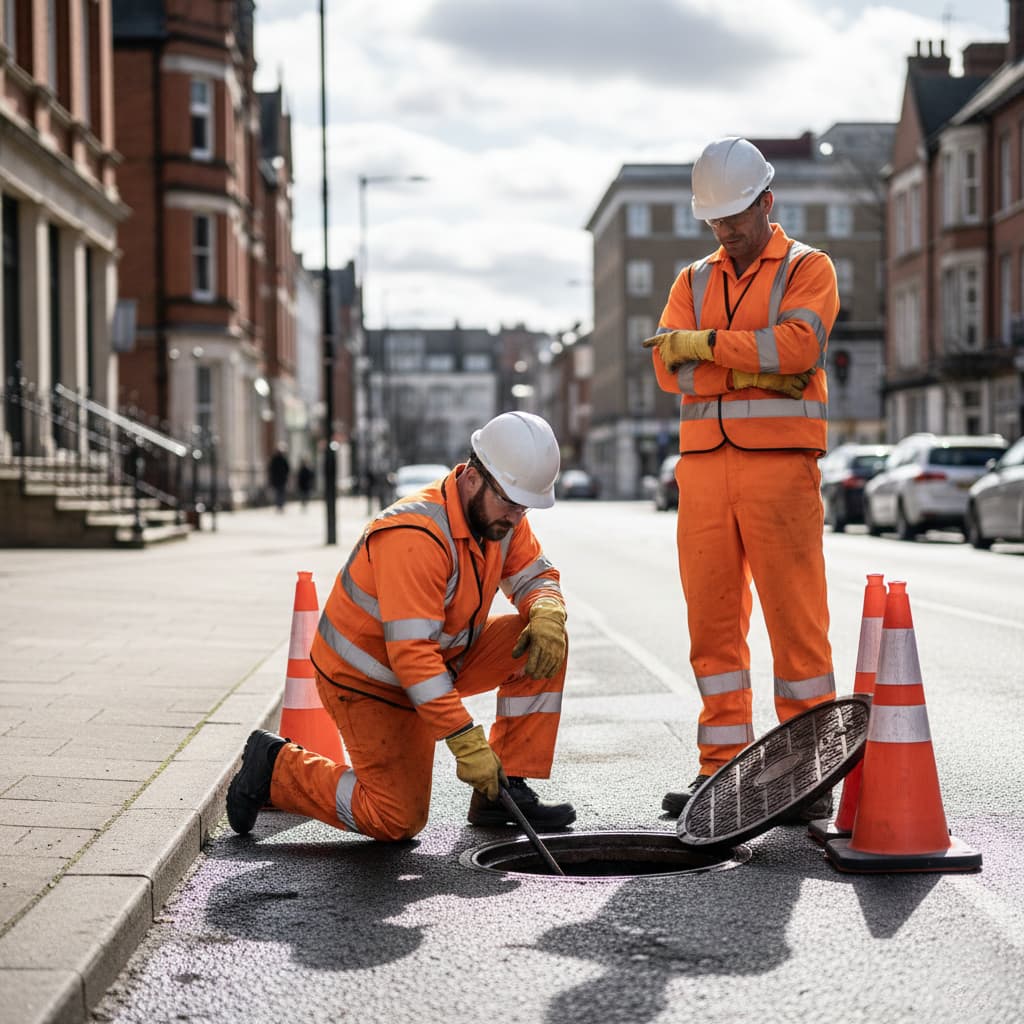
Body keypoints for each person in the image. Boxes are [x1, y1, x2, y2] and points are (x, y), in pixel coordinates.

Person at [226, 411, 576, 841]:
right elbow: (411, 656)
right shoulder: (416, 534)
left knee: (544, 641)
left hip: (440, 659)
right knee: (396, 818)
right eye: (511, 503)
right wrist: (463, 738)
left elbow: (535, 575)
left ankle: (503, 793)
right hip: (366, 681)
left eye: (524, 507)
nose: (517, 517)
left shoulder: (498, 519)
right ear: (473, 478)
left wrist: (548, 610)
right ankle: (276, 768)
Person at [642, 137, 839, 823]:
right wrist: (752, 370)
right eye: (715, 219)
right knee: (713, 628)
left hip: (780, 468)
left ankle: (807, 774)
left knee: (796, 624)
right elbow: (668, 368)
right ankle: (719, 769)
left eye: (735, 216)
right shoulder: (692, 280)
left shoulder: (809, 267)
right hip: (702, 472)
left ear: (766, 202)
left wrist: (706, 346)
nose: (725, 229)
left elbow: (800, 346)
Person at [268, 444, 290, 512]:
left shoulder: (278, 459)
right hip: (280, 480)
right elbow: (287, 469)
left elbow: (287, 469)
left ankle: (280, 505)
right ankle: (280, 505)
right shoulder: (279, 459)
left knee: (279, 493)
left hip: (279, 480)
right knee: (280, 493)